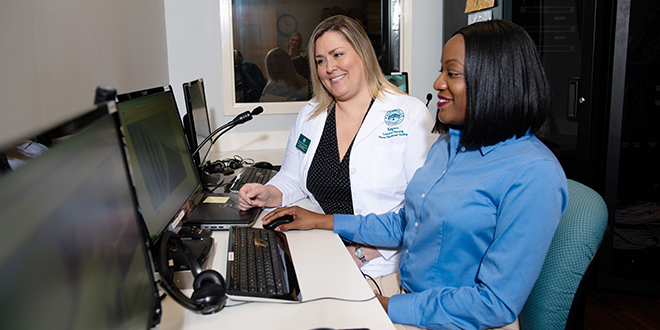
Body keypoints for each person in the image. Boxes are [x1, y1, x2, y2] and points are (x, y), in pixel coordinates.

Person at [260, 20, 569, 330]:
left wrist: (384, 305)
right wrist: (321, 220)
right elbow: (408, 223)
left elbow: (494, 304)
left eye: (452, 73)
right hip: (410, 292)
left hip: (456, 319)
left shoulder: (533, 173)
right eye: (441, 71)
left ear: (493, 80)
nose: (437, 83)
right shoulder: (449, 146)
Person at [239, 15, 436, 279]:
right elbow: (292, 176)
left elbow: (424, 212)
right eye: (321, 61)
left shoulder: (409, 114)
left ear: (363, 54)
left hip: (381, 263)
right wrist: (267, 193)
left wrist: (362, 254)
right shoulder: (311, 115)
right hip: (322, 246)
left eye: (337, 54)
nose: (329, 67)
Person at [286, 32, 312, 97]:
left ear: (300, 43)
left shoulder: (303, 56)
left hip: (299, 86)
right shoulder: (283, 54)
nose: (294, 42)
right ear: (289, 40)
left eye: (296, 41)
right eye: (292, 40)